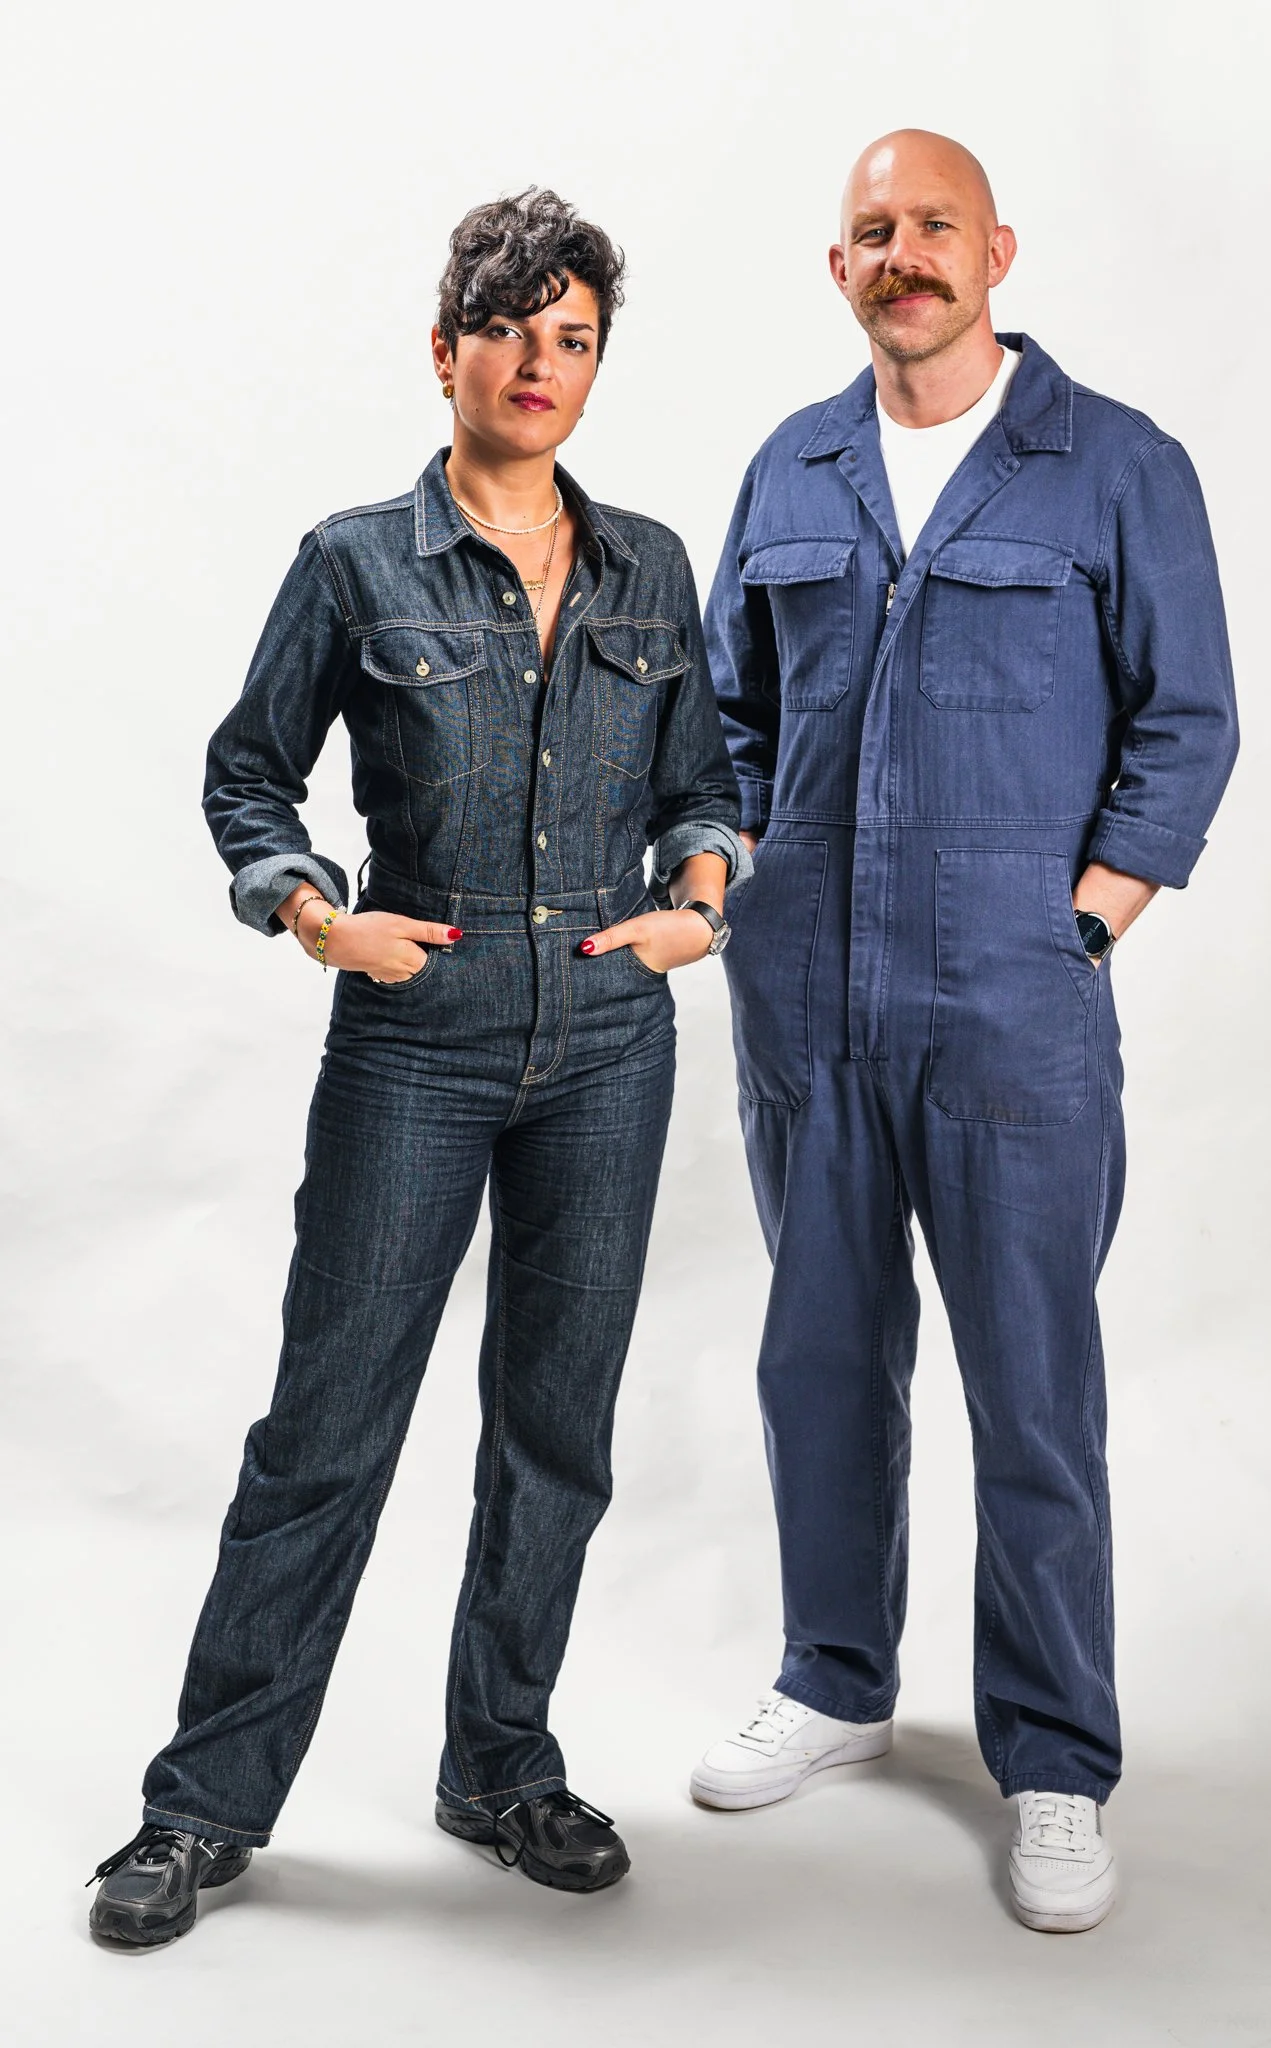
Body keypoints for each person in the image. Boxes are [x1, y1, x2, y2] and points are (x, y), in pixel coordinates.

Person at [89, 188, 747, 1947]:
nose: (543, 364)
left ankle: (502, 1765)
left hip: (610, 1037)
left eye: (576, 338)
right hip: (419, 1037)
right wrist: (317, 917)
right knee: (328, 1425)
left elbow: (707, 780)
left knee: (558, 1427)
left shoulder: (653, 568)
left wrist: (700, 897)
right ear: (444, 342)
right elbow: (248, 774)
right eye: (514, 327)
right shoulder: (352, 560)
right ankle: (202, 1808)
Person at [691, 130, 1238, 1932]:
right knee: (822, 1367)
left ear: (996, 250)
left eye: (932, 226)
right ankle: (837, 1680)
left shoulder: (1114, 466)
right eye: (871, 231)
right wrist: (739, 876)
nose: (901, 254)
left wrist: (1081, 921)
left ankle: (1060, 1757)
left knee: (1032, 1386)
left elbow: (1188, 723)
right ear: (835, 267)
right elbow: (727, 723)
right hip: (809, 1007)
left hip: (1015, 1007)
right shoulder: (795, 461)